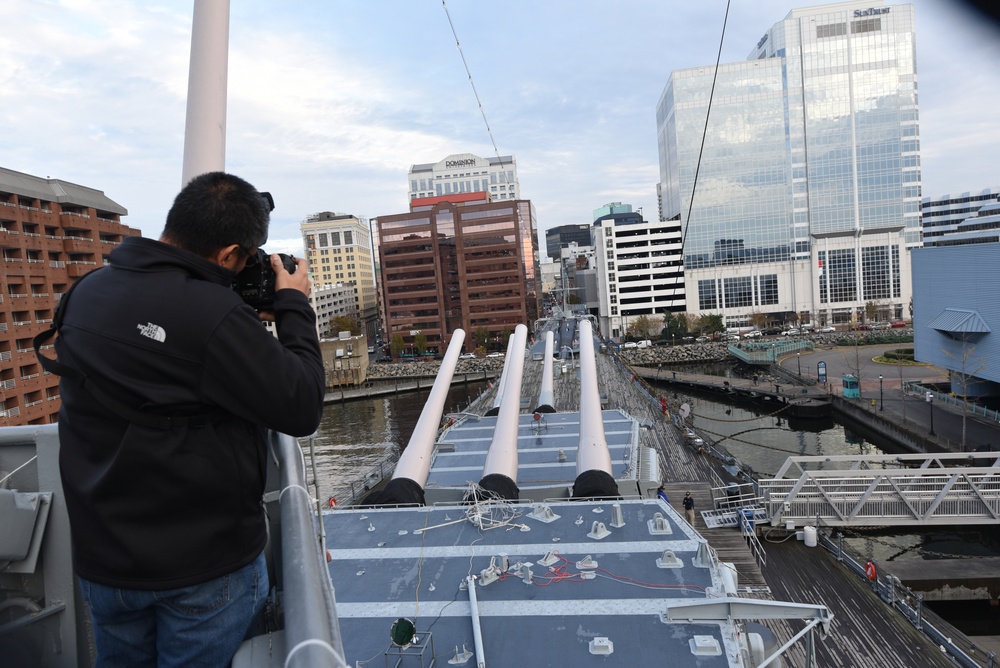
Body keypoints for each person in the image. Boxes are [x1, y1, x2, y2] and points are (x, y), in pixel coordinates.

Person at [54, 172, 325, 667]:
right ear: (227, 255)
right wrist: (292, 304)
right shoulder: (213, 317)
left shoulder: (86, 291)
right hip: (201, 571)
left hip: (105, 564)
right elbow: (301, 403)